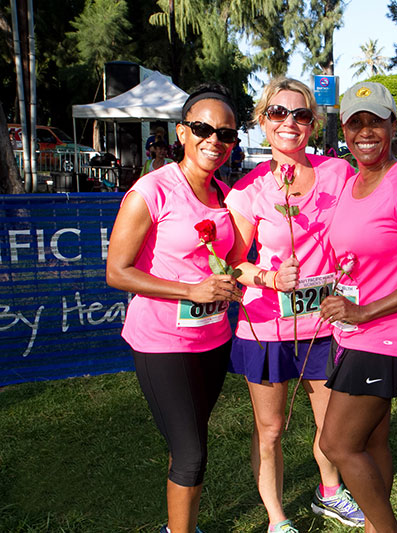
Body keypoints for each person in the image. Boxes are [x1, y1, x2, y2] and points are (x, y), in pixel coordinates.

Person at [225, 77, 362, 533]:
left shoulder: (338, 173)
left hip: (324, 322)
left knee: (331, 426)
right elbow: (232, 266)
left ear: (314, 123)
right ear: (262, 120)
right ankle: (277, 519)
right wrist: (269, 277)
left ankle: (329, 492)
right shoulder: (247, 191)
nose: (290, 123)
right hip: (267, 327)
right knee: (271, 431)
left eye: (301, 114)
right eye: (279, 113)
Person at [106, 83, 241, 533]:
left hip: (214, 340)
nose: (214, 140)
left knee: (190, 442)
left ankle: (183, 524)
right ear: (181, 132)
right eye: (203, 128)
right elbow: (118, 272)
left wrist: (244, 281)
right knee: (191, 454)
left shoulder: (225, 194)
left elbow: (232, 264)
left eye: (226, 133)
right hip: (162, 342)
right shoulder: (153, 189)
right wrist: (191, 291)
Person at [318, 81, 397, 533]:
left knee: (336, 444)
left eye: (375, 122)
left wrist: (364, 312)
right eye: (356, 123)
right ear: (344, 130)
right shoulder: (353, 183)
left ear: (393, 126)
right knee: (372, 440)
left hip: (384, 334)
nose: (365, 132)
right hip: (352, 334)